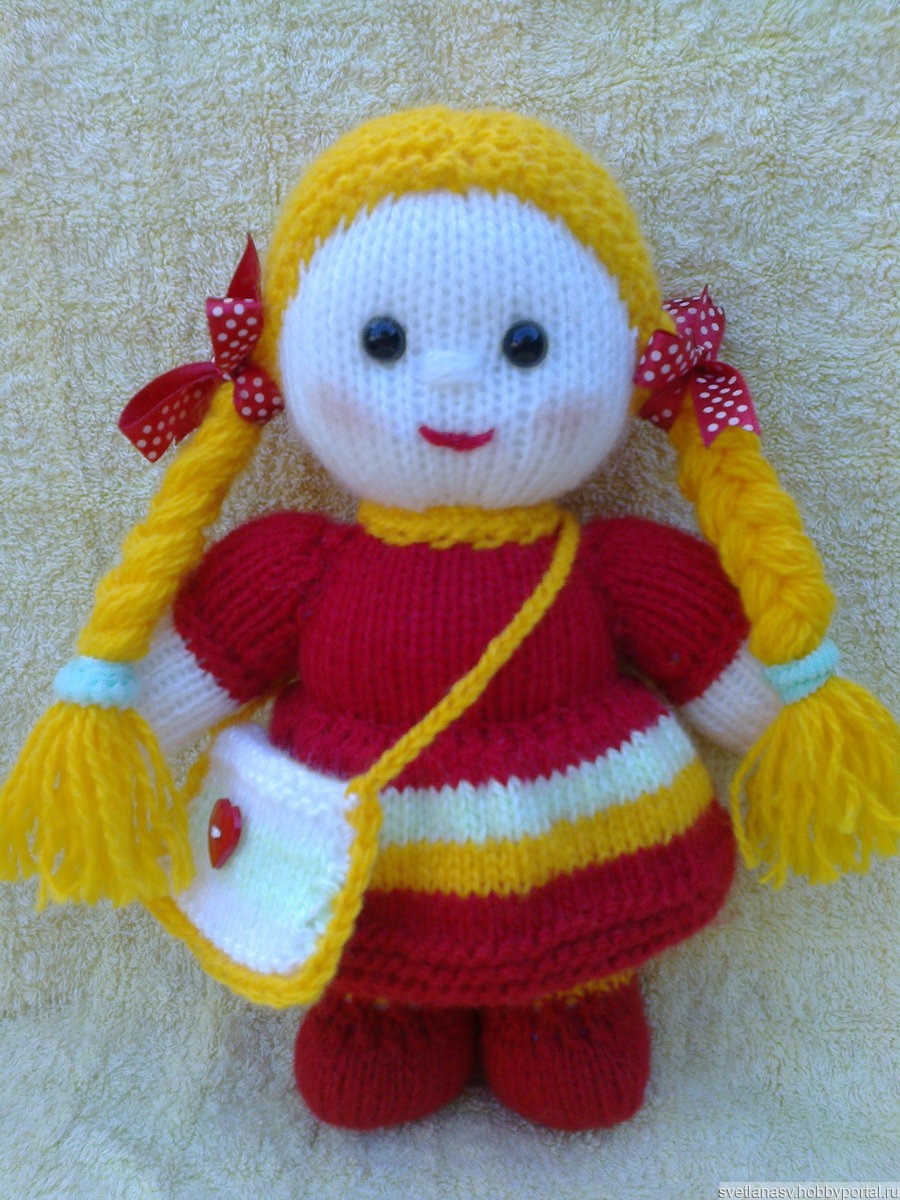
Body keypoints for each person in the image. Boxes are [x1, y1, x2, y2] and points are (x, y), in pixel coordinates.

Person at [2, 107, 896, 1132]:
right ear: (288, 363)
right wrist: (112, 731)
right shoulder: (299, 565)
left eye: (526, 345)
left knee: (579, 1050)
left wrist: (797, 719)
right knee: (366, 1046)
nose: (454, 382)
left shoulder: (607, 570)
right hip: (373, 859)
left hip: (577, 842)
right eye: (383, 342)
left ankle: (567, 1002)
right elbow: (203, 662)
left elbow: (710, 656)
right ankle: (384, 1009)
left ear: (629, 363)